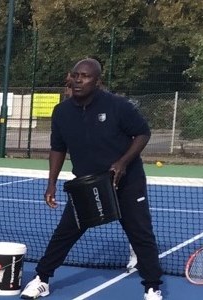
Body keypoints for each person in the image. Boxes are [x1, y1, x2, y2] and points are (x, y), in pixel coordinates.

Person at [20, 59, 163, 300]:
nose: (78, 80)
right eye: (75, 75)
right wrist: (51, 183)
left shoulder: (118, 106)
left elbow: (142, 133)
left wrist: (123, 162)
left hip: (126, 182)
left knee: (140, 233)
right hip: (88, 184)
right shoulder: (62, 112)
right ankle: (41, 279)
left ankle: (151, 287)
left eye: (85, 76)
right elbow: (58, 148)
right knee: (65, 232)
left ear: (97, 81)